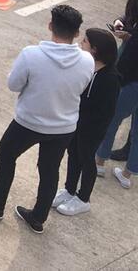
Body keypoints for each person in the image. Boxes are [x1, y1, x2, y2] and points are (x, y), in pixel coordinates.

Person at [0, 4, 95, 233]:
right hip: (63, 127)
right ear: (77, 33)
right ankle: (38, 218)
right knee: (49, 170)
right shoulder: (87, 61)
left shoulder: (32, 54)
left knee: (6, 155)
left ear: (50, 26)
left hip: (28, 121)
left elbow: (13, 84)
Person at [53, 28, 120, 216]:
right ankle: (69, 189)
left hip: (92, 128)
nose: (80, 44)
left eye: (85, 42)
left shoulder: (110, 79)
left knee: (86, 158)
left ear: (95, 50)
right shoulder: (87, 67)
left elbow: (105, 111)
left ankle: (83, 199)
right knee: (73, 153)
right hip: (76, 123)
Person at [94, 0, 138, 191]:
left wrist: (127, 37)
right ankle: (128, 174)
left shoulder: (134, 41)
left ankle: (100, 162)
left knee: (111, 120)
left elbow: (126, 67)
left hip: (130, 85)